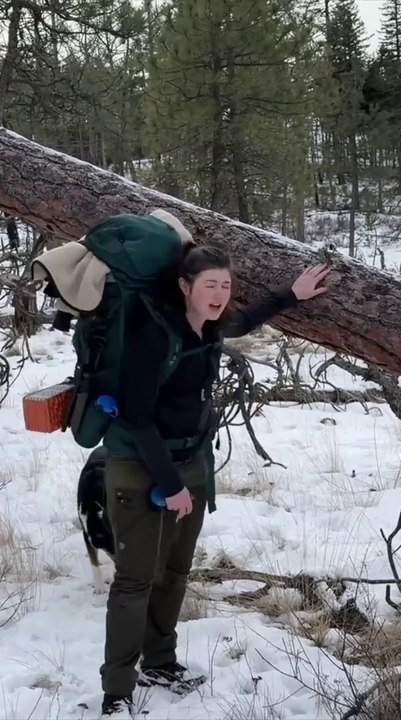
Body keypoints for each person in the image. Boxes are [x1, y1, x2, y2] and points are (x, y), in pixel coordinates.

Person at [97, 240, 330, 716]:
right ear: (185, 286)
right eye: (210, 285)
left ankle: (160, 662)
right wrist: (170, 484)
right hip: (142, 468)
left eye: (226, 285)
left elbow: (244, 321)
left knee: (176, 574)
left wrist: (292, 294)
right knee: (135, 581)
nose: (220, 294)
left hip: (190, 464)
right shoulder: (155, 334)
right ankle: (116, 693)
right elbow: (138, 418)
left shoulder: (210, 327)